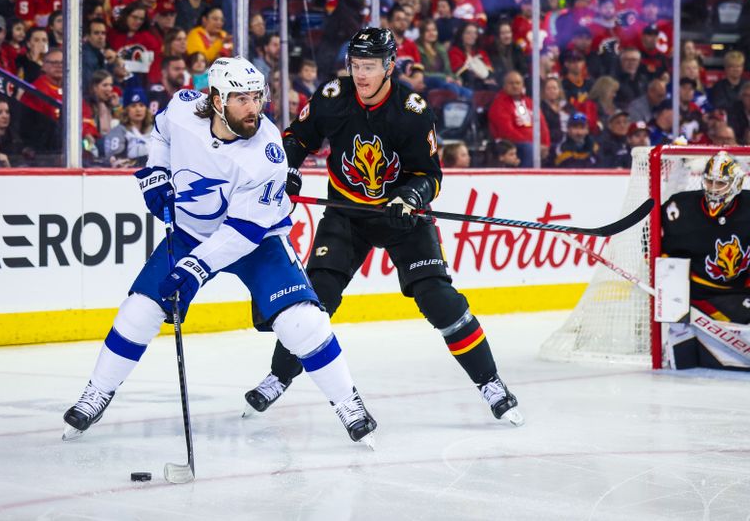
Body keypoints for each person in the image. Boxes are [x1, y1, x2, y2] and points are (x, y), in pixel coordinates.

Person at [62, 56, 377, 445]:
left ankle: (348, 402)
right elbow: (160, 134)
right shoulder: (181, 109)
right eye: (241, 99)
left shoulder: (266, 152)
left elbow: (243, 231)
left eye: (257, 97)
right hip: (192, 232)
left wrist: (194, 267)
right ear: (216, 100)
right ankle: (98, 392)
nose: (253, 108)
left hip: (258, 241)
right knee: (139, 310)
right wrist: (156, 173)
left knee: (302, 322)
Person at [242, 28, 524, 428]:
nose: (360, 74)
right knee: (314, 298)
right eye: (355, 65)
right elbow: (296, 139)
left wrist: (409, 198)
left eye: (370, 66)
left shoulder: (410, 109)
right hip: (347, 214)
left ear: (390, 66)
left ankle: (491, 383)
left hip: (401, 218)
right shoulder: (332, 97)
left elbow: (430, 176)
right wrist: (288, 171)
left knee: (438, 299)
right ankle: (278, 377)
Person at [661, 151, 750, 370]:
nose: (712, 188)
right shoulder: (680, 208)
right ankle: (681, 336)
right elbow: (653, 245)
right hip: (703, 293)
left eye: (720, 183)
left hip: (741, 290)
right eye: (709, 181)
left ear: (736, 184)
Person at [488, 70, 550, 168]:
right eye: (511, 83)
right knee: (529, 149)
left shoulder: (529, 102)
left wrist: (545, 144)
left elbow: (542, 125)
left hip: (533, 144)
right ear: (504, 85)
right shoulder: (499, 104)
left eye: (518, 83)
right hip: (511, 143)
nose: (515, 86)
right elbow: (506, 131)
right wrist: (533, 144)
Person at [102, 88, 153, 167]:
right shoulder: (118, 132)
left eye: (141, 105)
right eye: (133, 106)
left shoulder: (155, 131)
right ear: (126, 110)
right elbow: (117, 162)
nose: (138, 109)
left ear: (146, 109)